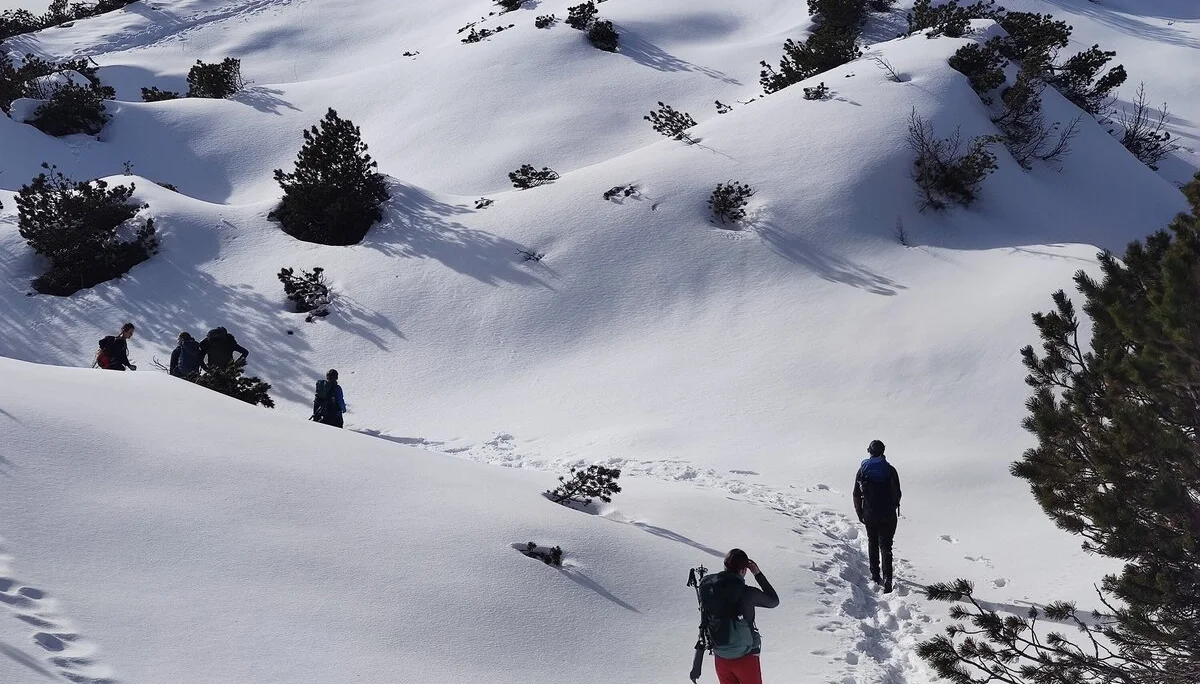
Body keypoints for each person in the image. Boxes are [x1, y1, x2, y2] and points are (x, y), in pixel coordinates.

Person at [696, 548, 780, 684]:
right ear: (744, 570)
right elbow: (773, 601)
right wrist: (757, 573)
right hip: (746, 658)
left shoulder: (708, 587)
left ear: (724, 566)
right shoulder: (747, 593)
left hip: (720, 656)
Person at [853, 439, 902, 593]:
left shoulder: (863, 470)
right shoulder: (890, 470)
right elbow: (897, 493)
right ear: (883, 451)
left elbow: (856, 494)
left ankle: (875, 574)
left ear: (869, 451)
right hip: (888, 513)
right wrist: (892, 506)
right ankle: (888, 578)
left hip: (870, 513)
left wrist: (859, 512)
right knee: (886, 545)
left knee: (872, 542)